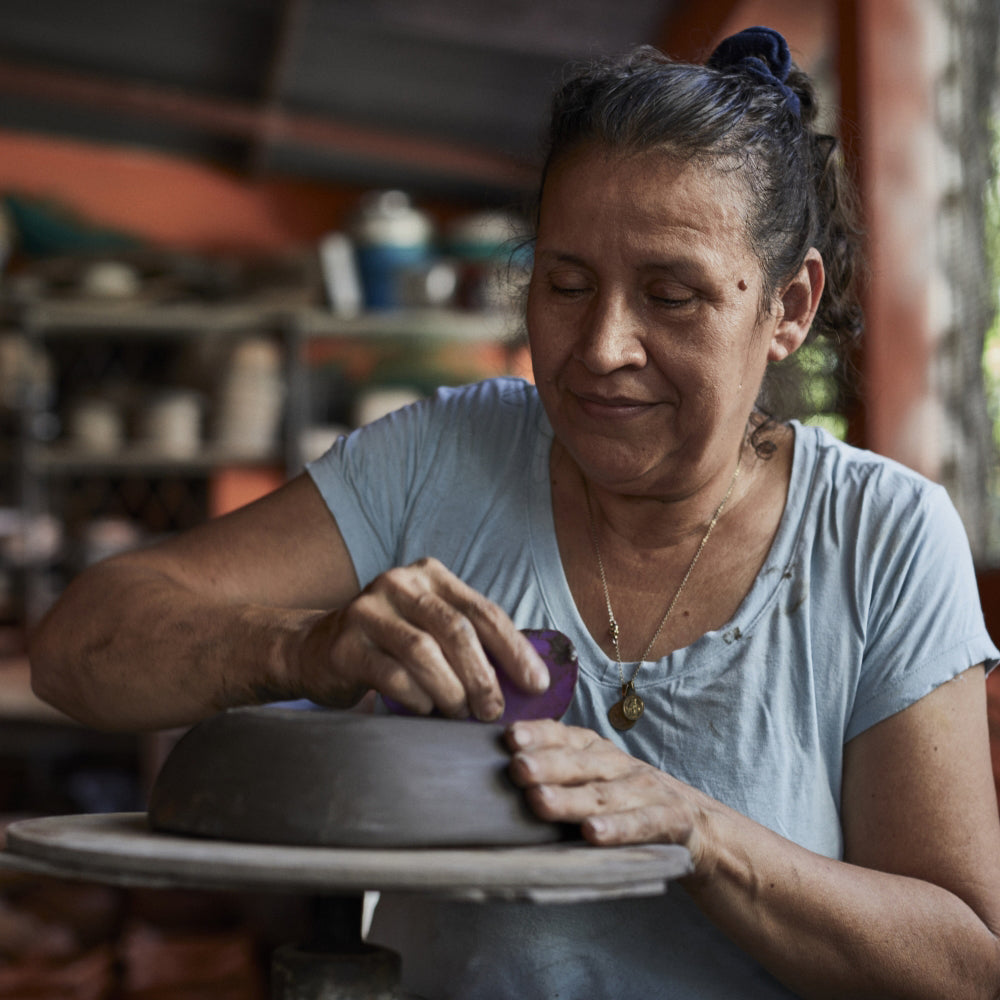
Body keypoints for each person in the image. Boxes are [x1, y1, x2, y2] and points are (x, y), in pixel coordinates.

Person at [29, 26, 1000, 999]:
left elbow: (963, 963)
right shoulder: (436, 458)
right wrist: (302, 648)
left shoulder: (879, 537)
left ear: (787, 307)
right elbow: (77, 651)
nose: (603, 344)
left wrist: (698, 833)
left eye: (670, 295)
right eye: (565, 284)